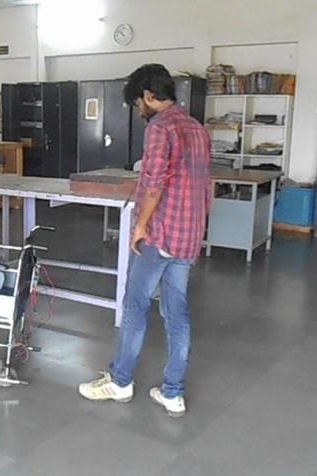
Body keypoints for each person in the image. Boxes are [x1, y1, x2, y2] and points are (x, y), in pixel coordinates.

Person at [78, 64, 211, 417]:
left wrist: (140, 227)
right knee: (176, 312)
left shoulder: (160, 127)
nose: (139, 110)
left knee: (135, 306)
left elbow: (153, 184)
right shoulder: (197, 128)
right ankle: (173, 392)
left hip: (160, 234)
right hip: (188, 236)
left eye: (140, 102)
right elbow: (203, 184)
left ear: (151, 96)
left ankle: (120, 382)